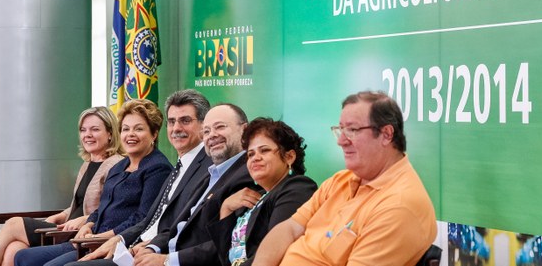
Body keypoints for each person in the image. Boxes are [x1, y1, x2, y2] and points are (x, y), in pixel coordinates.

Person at [253, 91, 437, 266]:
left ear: (386, 134)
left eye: (353, 130)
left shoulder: (399, 206)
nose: (341, 141)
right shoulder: (341, 180)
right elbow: (290, 228)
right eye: (340, 130)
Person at [14, 99, 173, 266]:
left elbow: (144, 218)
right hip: (89, 238)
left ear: (154, 134)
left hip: (114, 244)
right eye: (125, 129)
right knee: (23, 257)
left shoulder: (158, 168)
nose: (130, 134)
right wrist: (88, 224)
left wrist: (105, 235)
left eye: (138, 129)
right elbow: (102, 207)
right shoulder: (120, 166)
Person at [71, 90, 213, 266]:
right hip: (126, 245)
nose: (176, 128)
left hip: (157, 253)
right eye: (172, 122)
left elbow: (175, 225)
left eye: (185, 121)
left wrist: (149, 247)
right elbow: (151, 219)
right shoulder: (179, 165)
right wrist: (112, 235)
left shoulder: (201, 168)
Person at [0, 107, 125, 266]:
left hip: (82, 233)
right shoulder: (87, 164)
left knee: (12, 224)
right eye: (83, 130)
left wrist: (85, 219)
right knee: (13, 249)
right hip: (64, 226)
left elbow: (113, 209)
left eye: (95, 129)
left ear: (110, 133)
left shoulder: (117, 165)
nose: (88, 135)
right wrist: (59, 216)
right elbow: (77, 205)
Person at [130, 103, 259, 266]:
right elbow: (180, 225)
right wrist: (153, 248)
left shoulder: (249, 174)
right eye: (206, 131)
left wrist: (167, 260)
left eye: (220, 127)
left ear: (245, 131)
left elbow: (230, 243)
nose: (212, 135)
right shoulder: (210, 174)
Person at [207, 117, 317, 266]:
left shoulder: (297, 188)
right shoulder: (254, 196)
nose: (255, 158)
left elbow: (277, 253)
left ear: (289, 157)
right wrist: (226, 208)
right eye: (250, 154)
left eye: (264, 150)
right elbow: (226, 259)